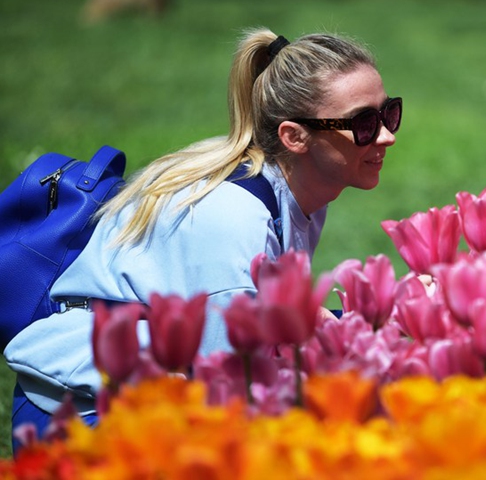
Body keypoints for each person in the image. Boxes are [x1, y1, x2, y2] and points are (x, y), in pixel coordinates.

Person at [4, 27, 401, 451]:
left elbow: (262, 333)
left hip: (149, 383)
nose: (386, 136)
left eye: (388, 113)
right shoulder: (236, 219)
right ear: (294, 136)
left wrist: (398, 312)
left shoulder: (299, 191)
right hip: (82, 410)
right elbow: (233, 389)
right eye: (363, 123)